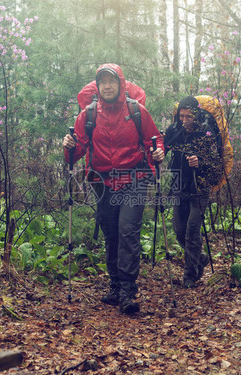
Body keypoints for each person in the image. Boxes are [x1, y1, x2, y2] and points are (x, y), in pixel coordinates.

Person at [63, 63, 164, 314]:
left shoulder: (136, 110)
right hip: (102, 182)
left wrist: (158, 152)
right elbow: (77, 151)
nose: (107, 86)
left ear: (120, 84)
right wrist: (68, 146)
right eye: (102, 81)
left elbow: (155, 139)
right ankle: (116, 285)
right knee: (111, 233)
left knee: (127, 231)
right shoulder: (88, 115)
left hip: (133, 178)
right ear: (97, 87)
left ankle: (128, 291)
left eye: (111, 81)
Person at [164, 96, 220, 288]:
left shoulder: (207, 132)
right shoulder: (174, 130)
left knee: (191, 232)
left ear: (196, 116)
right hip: (179, 185)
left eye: (189, 116)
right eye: (182, 116)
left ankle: (189, 276)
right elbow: (163, 148)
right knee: (179, 231)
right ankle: (200, 257)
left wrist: (200, 162)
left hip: (200, 187)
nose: (185, 120)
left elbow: (216, 164)